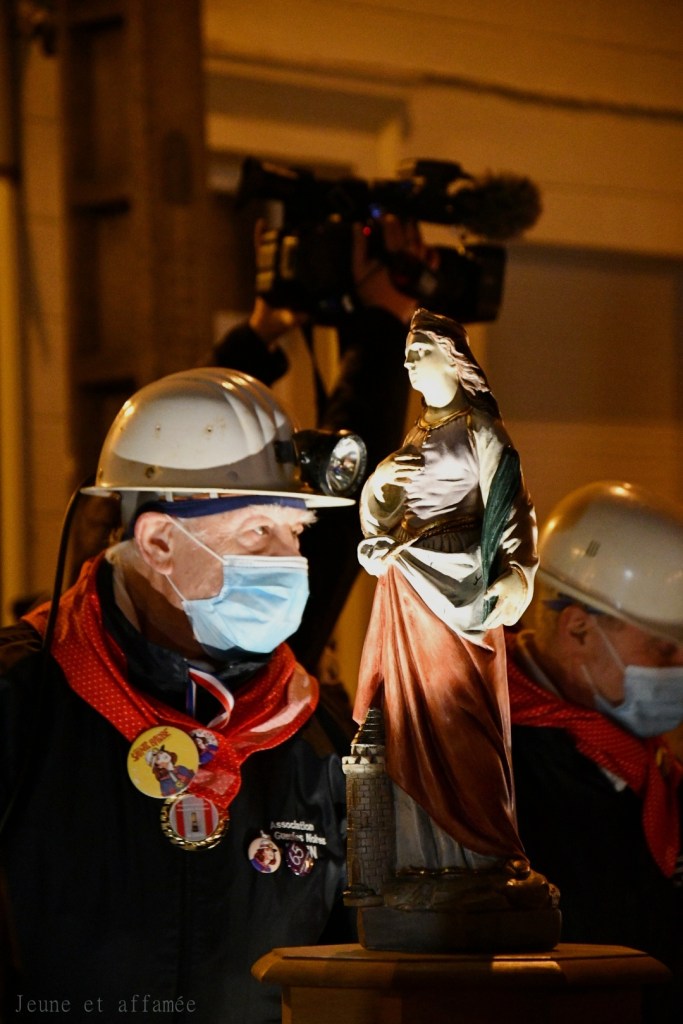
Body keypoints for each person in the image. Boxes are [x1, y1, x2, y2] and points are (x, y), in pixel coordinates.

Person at [0, 368, 362, 1024]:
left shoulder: (319, 737)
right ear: (160, 541)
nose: (290, 561)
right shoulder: (22, 707)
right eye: (257, 532)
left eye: (296, 532)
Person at [351, 308, 557, 945]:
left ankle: (485, 854)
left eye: (422, 352)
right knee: (413, 723)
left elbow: (510, 504)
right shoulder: (413, 439)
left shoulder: (480, 430)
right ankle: (426, 860)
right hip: (409, 592)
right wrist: (379, 490)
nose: (411, 364)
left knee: (459, 721)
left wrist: (518, 571)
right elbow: (382, 523)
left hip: (461, 589)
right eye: (407, 355)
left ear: (454, 358)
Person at [209, 217, 424, 674]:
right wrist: (385, 323)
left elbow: (176, 430)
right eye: (266, 529)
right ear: (158, 540)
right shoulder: (247, 636)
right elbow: (346, 488)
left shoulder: (104, 598)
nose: (289, 548)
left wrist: (257, 336)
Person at [507, 480, 683, 1020]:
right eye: (662, 647)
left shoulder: (637, 755)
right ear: (578, 628)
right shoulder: (493, 758)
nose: (677, 665)